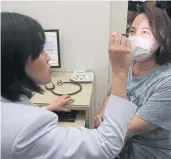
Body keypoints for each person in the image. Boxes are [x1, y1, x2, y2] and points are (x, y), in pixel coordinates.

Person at [1, 12, 137, 159]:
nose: (48, 58)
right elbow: (106, 145)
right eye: (40, 50)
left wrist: (47, 109)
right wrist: (120, 72)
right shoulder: (27, 128)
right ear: (16, 58)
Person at [94, 5, 171, 159]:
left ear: (163, 36)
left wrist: (105, 122)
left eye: (145, 32)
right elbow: (111, 94)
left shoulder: (167, 82)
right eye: (132, 31)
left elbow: (126, 129)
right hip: (120, 142)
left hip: (149, 151)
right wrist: (102, 113)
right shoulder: (129, 66)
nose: (135, 38)